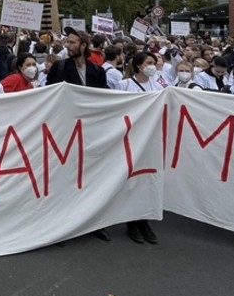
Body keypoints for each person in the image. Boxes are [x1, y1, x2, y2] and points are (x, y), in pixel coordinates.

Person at [45, 27, 110, 242]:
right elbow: (47, 96)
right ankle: (61, 225)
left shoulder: (97, 71)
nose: (67, 45)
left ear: (83, 45)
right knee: (64, 177)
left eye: (72, 42)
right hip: (65, 132)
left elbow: (104, 100)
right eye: (67, 42)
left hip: (90, 132)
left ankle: (93, 222)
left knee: (90, 177)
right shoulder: (60, 67)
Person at [115, 50, 164, 245]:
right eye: (149, 62)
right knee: (131, 181)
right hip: (131, 139)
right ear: (138, 65)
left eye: (154, 61)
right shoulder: (124, 85)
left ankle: (144, 220)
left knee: (147, 181)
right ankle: (131, 222)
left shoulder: (159, 84)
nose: (153, 65)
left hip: (152, 140)